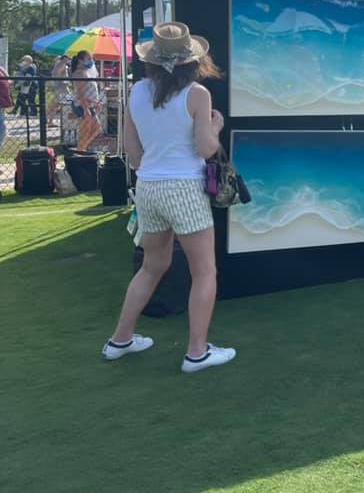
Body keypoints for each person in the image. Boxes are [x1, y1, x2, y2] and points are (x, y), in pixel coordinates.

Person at [103, 21, 236, 373]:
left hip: (148, 186)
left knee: (152, 266)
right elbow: (206, 149)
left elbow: (133, 152)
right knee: (204, 271)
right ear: (192, 60)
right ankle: (196, 352)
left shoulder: (137, 92)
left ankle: (120, 339)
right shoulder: (197, 94)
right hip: (185, 188)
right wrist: (216, 127)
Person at [70, 51, 102, 151]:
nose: (91, 61)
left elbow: (88, 91)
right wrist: (85, 109)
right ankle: (80, 151)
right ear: (80, 60)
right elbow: (80, 93)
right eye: (88, 59)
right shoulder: (79, 73)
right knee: (85, 132)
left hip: (89, 105)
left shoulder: (86, 72)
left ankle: (81, 149)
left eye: (91, 59)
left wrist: (95, 102)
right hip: (82, 106)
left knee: (96, 129)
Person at [47, 55, 71, 121]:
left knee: (56, 104)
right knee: (68, 102)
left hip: (61, 86)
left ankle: (48, 118)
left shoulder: (60, 63)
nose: (69, 59)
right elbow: (55, 73)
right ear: (65, 58)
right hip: (62, 87)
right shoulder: (61, 63)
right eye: (68, 58)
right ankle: (49, 119)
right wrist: (62, 81)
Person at [0, 63, 12, 146]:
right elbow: (10, 81)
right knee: (1, 120)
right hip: (3, 98)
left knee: (1, 120)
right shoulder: (1, 69)